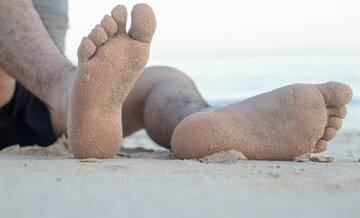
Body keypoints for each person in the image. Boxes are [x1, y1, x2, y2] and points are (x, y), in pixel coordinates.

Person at [0, 0, 353, 160]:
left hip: (49, 102)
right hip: (42, 92)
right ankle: (72, 91)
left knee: (164, 81)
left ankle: (200, 121)